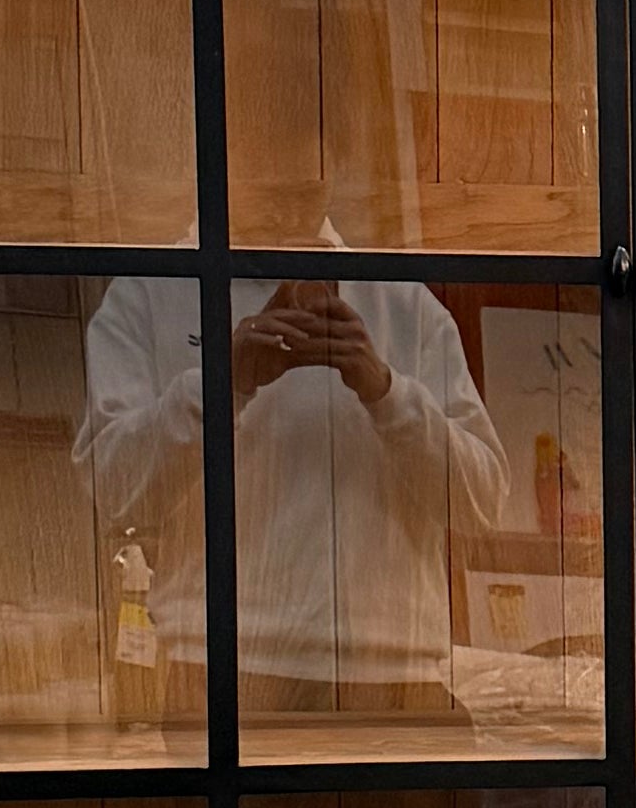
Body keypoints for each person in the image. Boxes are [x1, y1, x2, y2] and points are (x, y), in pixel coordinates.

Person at [74, 272, 506, 717]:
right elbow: (113, 492)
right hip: (223, 671)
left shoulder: (405, 302)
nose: (293, 199)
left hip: (388, 677)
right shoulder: (152, 290)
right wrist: (220, 384)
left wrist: (387, 392)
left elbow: (482, 503)